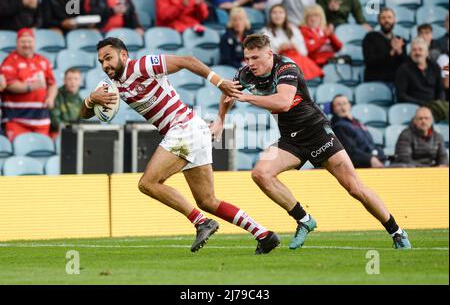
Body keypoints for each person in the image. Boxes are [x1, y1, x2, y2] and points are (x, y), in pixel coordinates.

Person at [210, 33, 412, 249]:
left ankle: (397, 232)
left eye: (254, 58)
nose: (249, 64)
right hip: (291, 139)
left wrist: (248, 97)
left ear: (269, 54)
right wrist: (221, 119)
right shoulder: (245, 73)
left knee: (354, 188)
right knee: (261, 173)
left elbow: (284, 102)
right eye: (247, 58)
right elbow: (227, 92)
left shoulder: (286, 67)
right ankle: (304, 220)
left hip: (317, 133)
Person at [80, 37, 280, 254]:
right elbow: (85, 114)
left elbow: (187, 60)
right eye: (101, 61)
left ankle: (201, 222)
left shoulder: (142, 66)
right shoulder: (115, 86)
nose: (105, 65)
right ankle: (264, 235)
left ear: (124, 55)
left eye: (108, 58)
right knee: (207, 200)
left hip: (183, 129)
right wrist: (91, 99)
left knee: (148, 183)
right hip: (192, 131)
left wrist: (219, 81)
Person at [0, 28, 57, 141]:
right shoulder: (10, 60)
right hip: (16, 119)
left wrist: (51, 98)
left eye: (29, 41)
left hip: (40, 119)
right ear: (17, 43)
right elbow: (8, 85)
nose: (26, 45)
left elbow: (52, 84)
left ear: (34, 43)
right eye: (23, 41)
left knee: (41, 151)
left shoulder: (43, 61)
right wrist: (31, 86)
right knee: (19, 152)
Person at [262, 4, 323, 80]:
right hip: (280, 62)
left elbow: (304, 52)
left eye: (281, 12)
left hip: (298, 59)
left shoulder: (294, 29)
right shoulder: (266, 32)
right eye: (274, 13)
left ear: (285, 15)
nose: (278, 15)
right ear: (270, 16)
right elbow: (265, 56)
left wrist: (295, 46)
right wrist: (279, 48)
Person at [395, 37, 448, 123]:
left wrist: (439, 103)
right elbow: (401, 95)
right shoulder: (403, 69)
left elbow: (441, 90)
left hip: (434, 107)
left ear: (427, 53)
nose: (417, 52)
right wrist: (424, 105)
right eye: (414, 50)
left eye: (420, 50)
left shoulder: (435, 67)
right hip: (413, 108)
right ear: (410, 53)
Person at [330, 94, 386, 168]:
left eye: (344, 103)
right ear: (333, 109)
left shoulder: (358, 123)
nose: (343, 107)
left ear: (349, 105)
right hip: (360, 166)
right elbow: (350, 153)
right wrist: (370, 159)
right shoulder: (339, 127)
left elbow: (371, 144)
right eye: (338, 105)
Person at [362, 8, 407, 85]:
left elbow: (405, 65)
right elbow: (370, 61)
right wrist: (391, 52)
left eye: (389, 17)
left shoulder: (400, 40)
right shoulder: (370, 37)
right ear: (379, 21)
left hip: (395, 82)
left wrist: (399, 51)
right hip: (375, 81)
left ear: (394, 20)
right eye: (383, 18)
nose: (386, 21)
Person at [49, 67, 83, 138]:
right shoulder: (56, 95)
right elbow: (55, 120)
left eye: (76, 79)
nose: (73, 82)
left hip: (75, 133)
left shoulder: (80, 100)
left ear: (80, 81)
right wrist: (70, 128)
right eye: (69, 79)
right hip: (58, 133)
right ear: (64, 81)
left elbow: (82, 121)